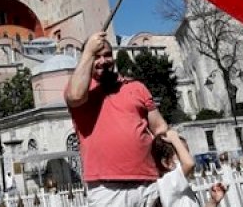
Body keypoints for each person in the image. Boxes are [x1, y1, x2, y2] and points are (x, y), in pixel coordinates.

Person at [65, 31, 169, 207]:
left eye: (107, 55)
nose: (103, 61)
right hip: (107, 188)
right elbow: (75, 96)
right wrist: (88, 51)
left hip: (148, 181)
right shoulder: (81, 91)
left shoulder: (136, 87)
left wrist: (170, 160)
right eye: (96, 56)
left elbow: (160, 128)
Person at [150, 130, 227, 207]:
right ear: (167, 163)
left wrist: (213, 201)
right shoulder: (167, 181)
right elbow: (189, 164)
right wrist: (174, 139)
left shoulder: (180, 188)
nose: (188, 157)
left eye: (187, 153)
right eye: (183, 154)